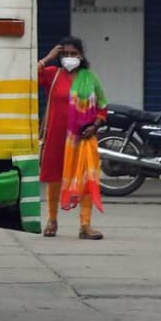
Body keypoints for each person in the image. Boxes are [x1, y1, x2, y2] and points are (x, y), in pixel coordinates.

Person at [38, 37, 108, 239]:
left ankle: (85, 225)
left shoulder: (90, 78)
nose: (69, 57)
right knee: (54, 178)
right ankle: (52, 220)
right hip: (56, 136)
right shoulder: (52, 74)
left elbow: (103, 107)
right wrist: (48, 57)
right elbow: (28, 77)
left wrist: (95, 126)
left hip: (82, 137)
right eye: (65, 54)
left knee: (85, 178)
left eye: (73, 54)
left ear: (81, 56)